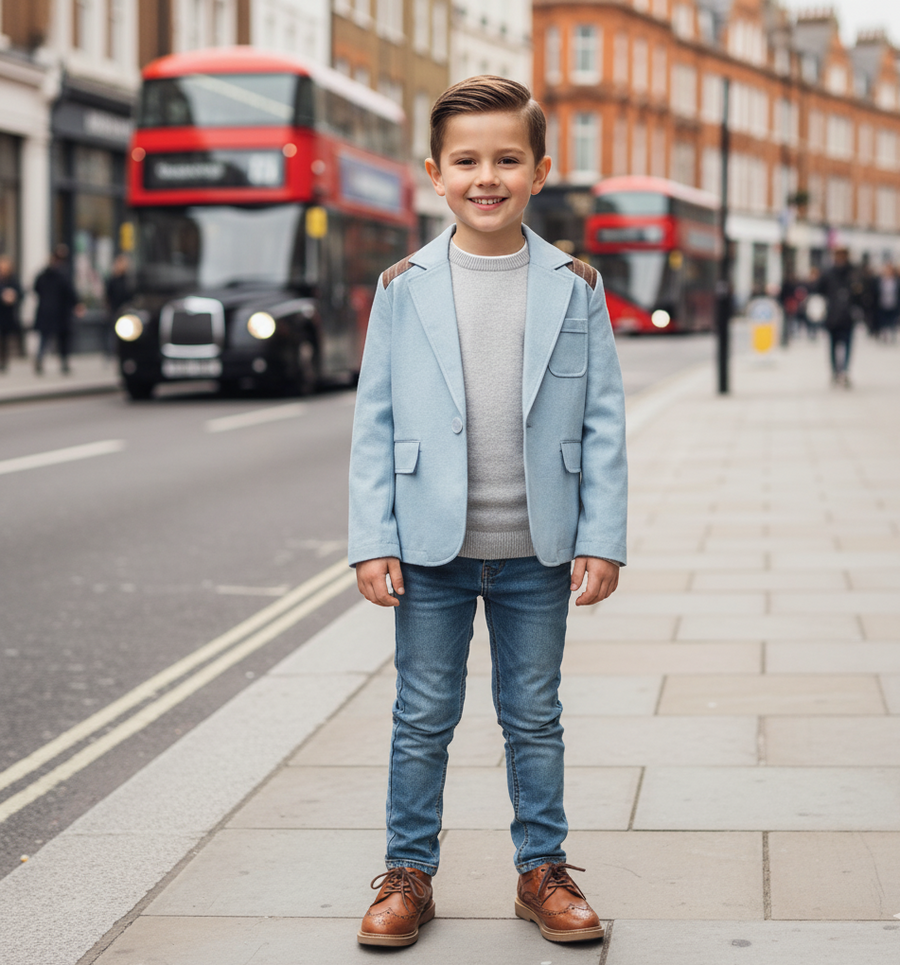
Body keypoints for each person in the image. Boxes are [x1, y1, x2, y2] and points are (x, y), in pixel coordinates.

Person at [348, 76, 627, 949]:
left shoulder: (577, 284)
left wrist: (603, 537)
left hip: (537, 549)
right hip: (429, 548)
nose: (487, 176)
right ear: (435, 172)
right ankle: (408, 874)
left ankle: (542, 870)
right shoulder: (403, 286)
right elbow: (374, 421)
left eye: (508, 158)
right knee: (421, 715)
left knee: (533, 714)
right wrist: (371, 539)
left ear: (540, 170)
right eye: (467, 160)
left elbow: (605, 419)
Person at [33, 245, 81, 374]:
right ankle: (62, 363)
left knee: (46, 339)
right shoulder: (62, 275)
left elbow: (36, 289)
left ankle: (41, 359)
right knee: (60, 340)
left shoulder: (44, 274)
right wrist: (76, 304)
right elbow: (70, 293)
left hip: (47, 311)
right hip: (60, 312)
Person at [819, 247, 857, 387]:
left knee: (847, 345)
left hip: (848, 316)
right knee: (833, 346)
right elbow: (819, 291)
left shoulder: (853, 273)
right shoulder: (828, 273)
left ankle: (845, 371)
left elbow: (861, 293)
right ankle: (835, 371)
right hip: (832, 316)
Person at [105, 253, 133, 357]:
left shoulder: (129, 280)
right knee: (112, 334)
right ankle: (111, 354)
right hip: (115, 310)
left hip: (126, 311)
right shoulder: (113, 280)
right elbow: (108, 296)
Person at [0, 255, 22, 372]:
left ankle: (4, 361)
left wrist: (13, 296)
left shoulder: (13, 280)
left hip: (8, 315)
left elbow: (20, 293)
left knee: (5, 339)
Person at [876, 262, 898, 343]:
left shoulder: (896, 281)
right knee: (884, 321)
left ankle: (892, 334)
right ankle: (884, 335)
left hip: (893, 304)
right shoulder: (880, 280)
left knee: (893, 320)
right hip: (883, 303)